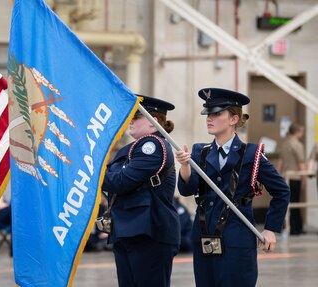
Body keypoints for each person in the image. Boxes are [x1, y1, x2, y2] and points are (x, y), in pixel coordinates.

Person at [175, 88, 290, 287]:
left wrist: (271, 229)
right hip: (204, 235)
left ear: (233, 119)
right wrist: (185, 166)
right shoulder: (199, 152)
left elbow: (282, 191)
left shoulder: (251, 154)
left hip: (236, 237)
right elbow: (186, 190)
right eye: (208, 114)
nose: (209, 118)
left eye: (217, 113)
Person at [102, 95, 180, 287]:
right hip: (129, 229)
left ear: (154, 124)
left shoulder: (152, 146)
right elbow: (112, 177)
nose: (131, 120)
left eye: (137, 117)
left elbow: (119, 181)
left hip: (149, 232)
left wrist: (96, 174)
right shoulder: (131, 149)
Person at [276, 123, 306, 235]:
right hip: (295, 177)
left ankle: (287, 226)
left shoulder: (284, 144)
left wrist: (277, 177)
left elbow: (280, 162)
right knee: (296, 202)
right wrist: (304, 179)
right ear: (297, 132)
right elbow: (301, 163)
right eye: (301, 131)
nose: (302, 134)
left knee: (287, 202)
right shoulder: (297, 145)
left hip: (285, 177)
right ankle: (296, 228)